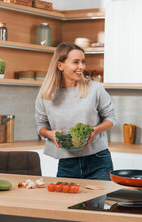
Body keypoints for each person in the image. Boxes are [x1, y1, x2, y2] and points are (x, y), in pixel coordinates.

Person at [35, 43, 116, 180]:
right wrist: (50, 134)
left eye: (83, 62)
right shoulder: (46, 95)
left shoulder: (95, 89)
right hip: (67, 163)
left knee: (96, 202)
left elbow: (111, 118)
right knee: (66, 201)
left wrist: (94, 130)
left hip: (98, 160)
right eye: (76, 62)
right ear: (60, 65)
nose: (82, 67)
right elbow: (41, 125)